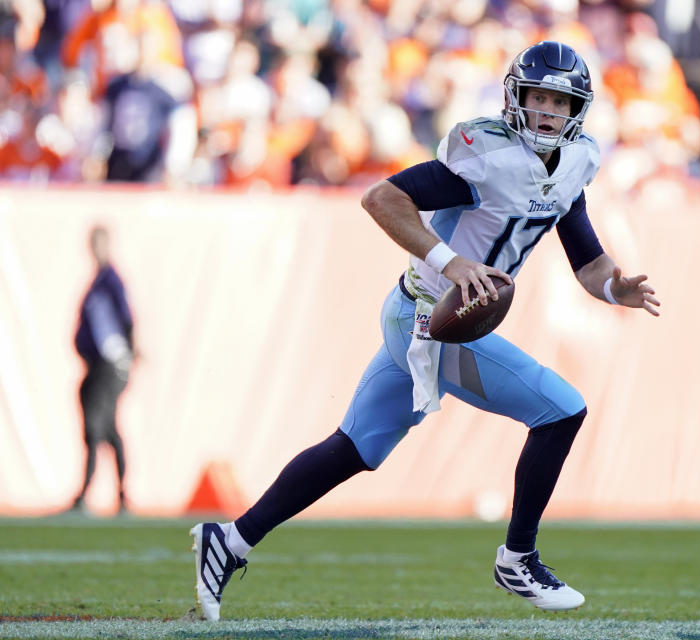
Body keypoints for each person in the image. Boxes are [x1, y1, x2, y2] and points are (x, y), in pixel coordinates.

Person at [190, 41, 661, 621]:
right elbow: (382, 197)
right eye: (537, 97)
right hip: (431, 318)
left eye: (558, 102)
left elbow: (586, 259)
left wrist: (616, 289)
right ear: (516, 97)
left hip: (423, 313)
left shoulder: (575, 161)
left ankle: (230, 542)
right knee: (560, 411)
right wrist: (452, 262)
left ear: (577, 110)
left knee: (355, 448)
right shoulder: (487, 155)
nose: (545, 112)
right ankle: (518, 557)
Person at [71, 225, 135, 515]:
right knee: (106, 428)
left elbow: (125, 317)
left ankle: (87, 495)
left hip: (108, 365)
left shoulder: (110, 280)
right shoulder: (99, 281)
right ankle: (118, 496)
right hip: (97, 365)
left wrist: (130, 352)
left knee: (98, 427)